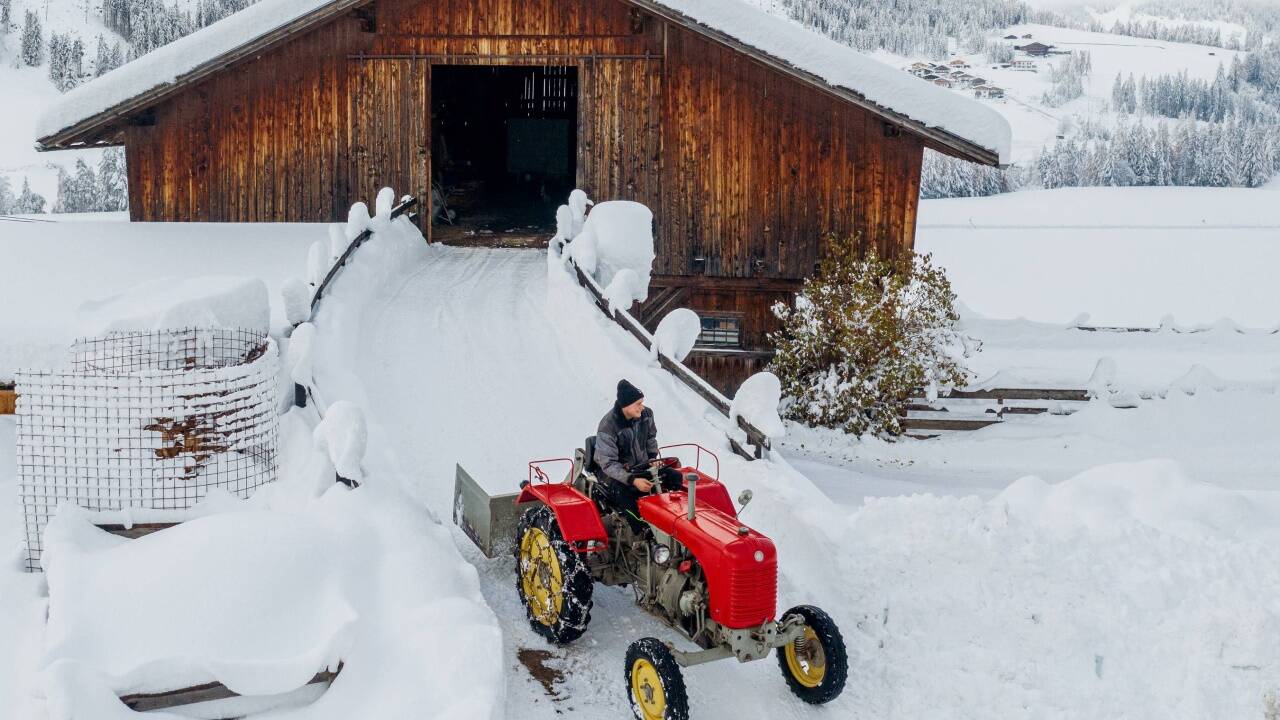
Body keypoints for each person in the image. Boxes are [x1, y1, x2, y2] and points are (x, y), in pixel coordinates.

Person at [594, 379, 682, 531]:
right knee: (625, 494)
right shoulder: (608, 427)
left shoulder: (646, 414)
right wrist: (633, 480)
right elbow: (608, 464)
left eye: (642, 402)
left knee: (674, 476)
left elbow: (650, 438)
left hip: (641, 466)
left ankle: (676, 517)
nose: (642, 407)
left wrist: (653, 459)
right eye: (638, 404)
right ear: (625, 405)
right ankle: (641, 533)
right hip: (614, 473)